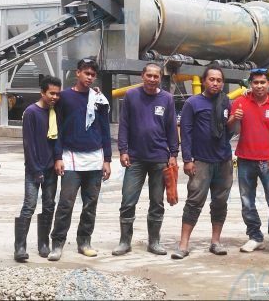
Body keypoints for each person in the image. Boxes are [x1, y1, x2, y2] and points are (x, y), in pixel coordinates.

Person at [47, 57, 111, 261]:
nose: (89, 77)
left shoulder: (98, 98)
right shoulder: (65, 97)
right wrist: (58, 157)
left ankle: (84, 242)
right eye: (86, 73)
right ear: (78, 73)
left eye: (93, 74)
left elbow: (105, 129)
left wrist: (107, 159)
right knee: (66, 203)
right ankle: (57, 243)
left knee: (90, 204)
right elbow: (57, 127)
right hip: (71, 157)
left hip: (95, 158)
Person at [114, 63, 179, 256]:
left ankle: (154, 241)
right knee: (128, 201)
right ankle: (124, 242)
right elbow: (124, 124)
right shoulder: (132, 96)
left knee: (157, 202)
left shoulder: (167, 99)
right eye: (149, 75)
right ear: (142, 76)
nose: (152, 79)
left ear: (160, 78)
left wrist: (173, 154)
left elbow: (171, 128)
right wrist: (123, 150)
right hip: (135, 158)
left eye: (155, 76)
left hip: (160, 158)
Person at [173, 62, 233, 259]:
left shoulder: (226, 102)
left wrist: (235, 121)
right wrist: (187, 159)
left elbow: (229, 132)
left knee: (220, 202)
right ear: (204, 81)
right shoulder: (193, 103)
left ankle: (215, 242)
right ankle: (183, 244)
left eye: (219, 80)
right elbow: (186, 132)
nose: (215, 83)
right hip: (201, 161)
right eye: (212, 79)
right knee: (194, 201)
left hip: (223, 160)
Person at [230, 67, 269, 256]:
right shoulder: (240, 102)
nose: (259, 86)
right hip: (245, 160)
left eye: (263, 82)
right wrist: (234, 119)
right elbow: (233, 130)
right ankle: (255, 237)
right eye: (255, 82)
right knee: (247, 202)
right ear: (250, 84)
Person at [15, 75, 62, 262]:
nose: (55, 97)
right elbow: (29, 144)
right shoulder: (31, 112)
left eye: (57, 94)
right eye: (51, 93)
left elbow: (57, 139)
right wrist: (36, 170)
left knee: (49, 206)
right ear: (42, 92)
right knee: (29, 206)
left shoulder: (54, 111)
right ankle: (20, 247)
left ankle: (43, 244)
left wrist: (57, 159)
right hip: (34, 169)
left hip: (51, 168)